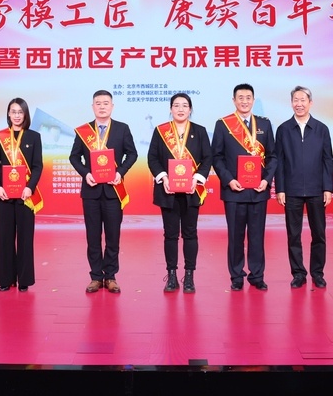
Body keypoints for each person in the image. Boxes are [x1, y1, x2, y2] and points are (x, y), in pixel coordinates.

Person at [69, 89, 138, 293]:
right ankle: (96, 277)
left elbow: (132, 154)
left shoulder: (122, 129)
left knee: (113, 236)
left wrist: (120, 172)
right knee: (93, 237)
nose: (102, 106)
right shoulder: (83, 131)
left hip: (113, 191)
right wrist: (85, 173)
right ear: (93, 107)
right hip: (91, 192)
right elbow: (74, 157)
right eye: (98, 103)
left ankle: (111, 276)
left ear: (112, 106)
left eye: (105, 103)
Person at [211, 83, 276, 291]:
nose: (244, 101)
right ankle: (236, 276)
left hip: (259, 190)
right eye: (240, 97)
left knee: (257, 236)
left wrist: (266, 180)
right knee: (235, 236)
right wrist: (229, 179)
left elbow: (273, 156)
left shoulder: (264, 124)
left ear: (253, 100)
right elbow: (216, 157)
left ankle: (257, 275)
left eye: (248, 97)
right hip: (234, 191)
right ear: (234, 100)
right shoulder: (223, 124)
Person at [146, 93, 212, 293]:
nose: (180, 109)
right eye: (176, 105)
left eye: (184, 105)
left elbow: (207, 158)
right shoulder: (161, 131)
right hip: (168, 191)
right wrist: (164, 177)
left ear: (190, 109)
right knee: (170, 234)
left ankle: (189, 276)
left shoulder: (200, 131)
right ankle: (172, 276)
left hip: (192, 190)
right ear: (170, 109)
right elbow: (152, 158)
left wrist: (196, 179)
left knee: (190, 233)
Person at [274, 86, 333, 289]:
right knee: (293, 234)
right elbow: (279, 161)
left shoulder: (321, 129)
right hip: (292, 190)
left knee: (319, 234)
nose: (299, 104)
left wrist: (328, 188)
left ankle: (317, 273)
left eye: (303, 100)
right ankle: (298, 273)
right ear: (291, 103)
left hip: (317, 190)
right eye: (295, 100)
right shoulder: (283, 129)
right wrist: (280, 189)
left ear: (310, 103)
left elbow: (327, 160)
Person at [0, 97, 43, 292]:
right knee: (4, 238)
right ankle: (6, 279)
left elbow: (37, 166)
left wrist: (30, 187)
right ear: (8, 114)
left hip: (25, 196)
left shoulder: (34, 137)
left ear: (25, 114)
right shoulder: (0, 136)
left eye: (20, 112)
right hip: (4, 195)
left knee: (25, 238)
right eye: (13, 112)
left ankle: (24, 279)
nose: (17, 115)